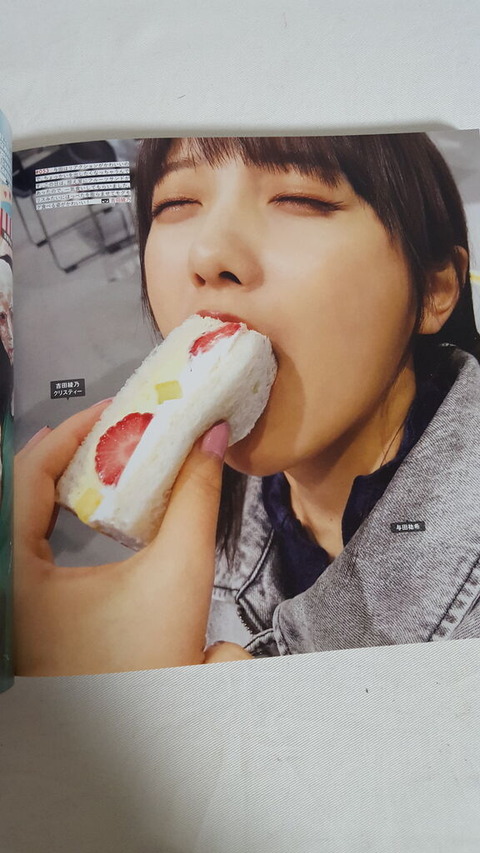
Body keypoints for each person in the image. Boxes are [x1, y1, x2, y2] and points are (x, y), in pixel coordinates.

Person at [14, 134, 480, 675]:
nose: (208, 254)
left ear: (435, 288)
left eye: (300, 198)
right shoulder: (198, 539)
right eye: (175, 203)